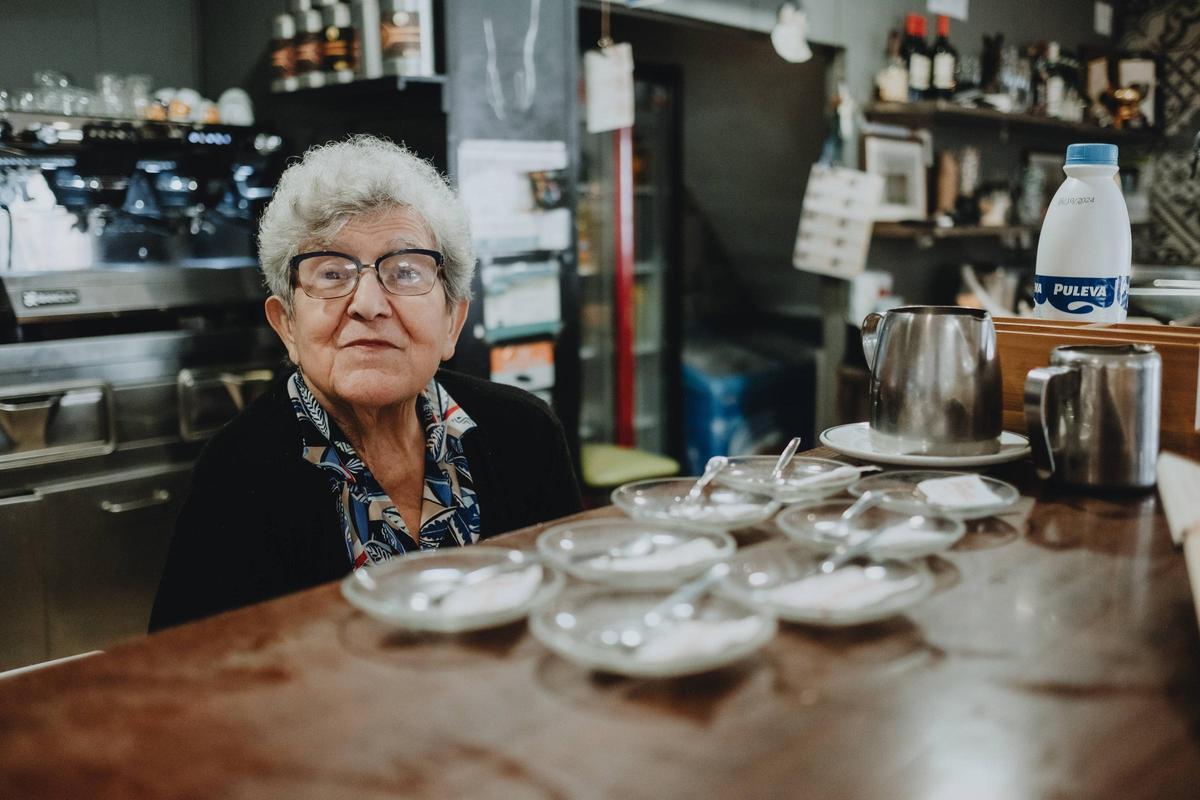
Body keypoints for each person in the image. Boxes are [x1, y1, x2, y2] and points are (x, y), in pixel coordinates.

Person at [150, 136, 581, 631]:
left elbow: (570, 613)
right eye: (333, 273)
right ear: (286, 323)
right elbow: (187, 675)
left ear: (452, 323)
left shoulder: (525, 434)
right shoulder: (238, 473)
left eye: (404, 271)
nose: (368, 304)